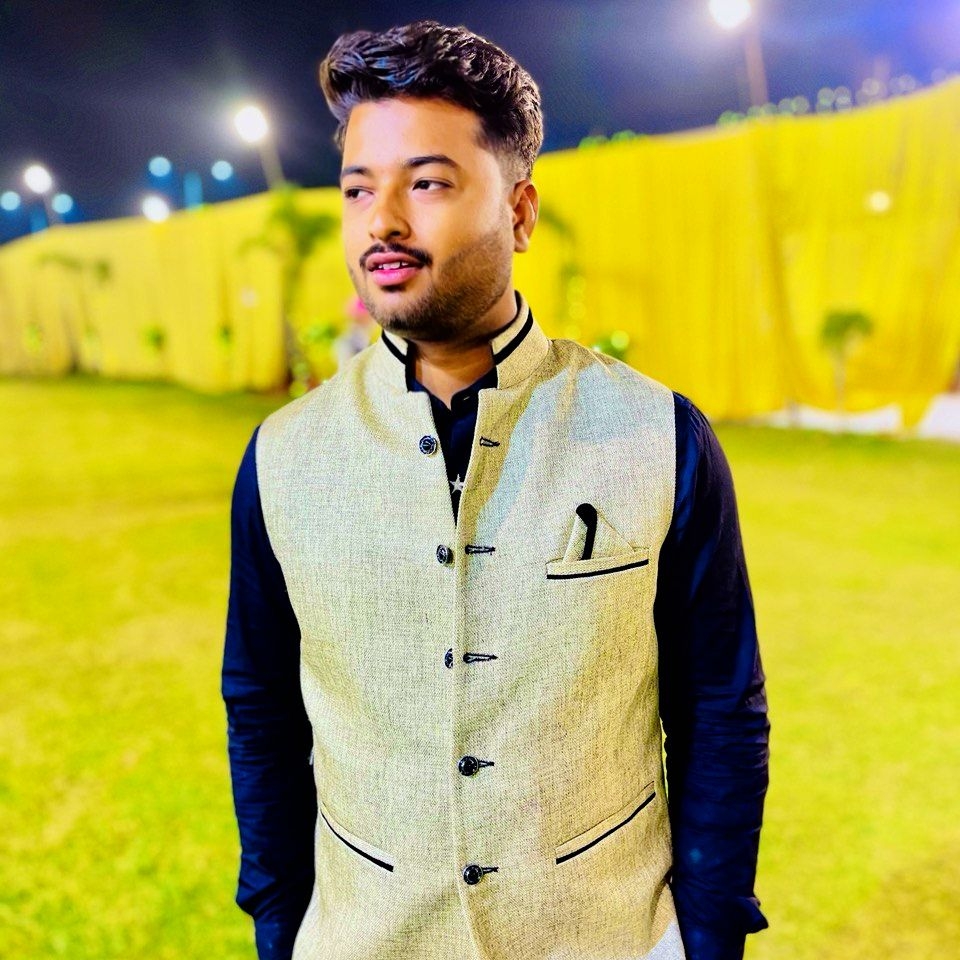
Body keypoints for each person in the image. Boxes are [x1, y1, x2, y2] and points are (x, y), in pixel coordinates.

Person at [222, 19, 769, 960]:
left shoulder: (657, 435)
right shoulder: (283, 455)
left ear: (519, 212)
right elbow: (261, 704)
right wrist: (279, 920)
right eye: (358, 189)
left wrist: (711, 934)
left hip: (606, 936)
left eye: (427, 183)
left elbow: (719, 704)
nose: (382, 222)